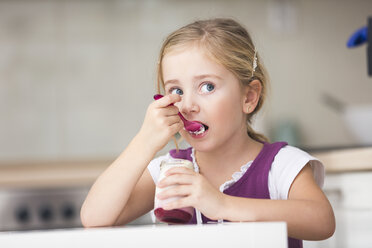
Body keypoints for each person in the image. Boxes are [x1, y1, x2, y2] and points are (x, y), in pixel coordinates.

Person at [80, 18, 335, 247]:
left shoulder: (280, 166)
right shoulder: (170, 171)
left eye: (207, 86)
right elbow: (94, 218)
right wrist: (143, 142)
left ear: (248, 97)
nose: (188, 105)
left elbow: (322, 220)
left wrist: (222, 204)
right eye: (176, 91)